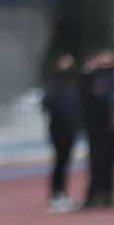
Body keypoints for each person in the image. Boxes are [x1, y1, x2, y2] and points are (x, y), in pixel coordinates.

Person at [79, 47, 114, 208]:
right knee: (96, 160)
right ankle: (95, 194)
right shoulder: (93, 77)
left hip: (111, 126)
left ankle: (107, 194)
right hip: (97, 126)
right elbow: (88, 95)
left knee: (109, 161)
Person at [41, 53, 81, 212]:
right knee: (60, 161)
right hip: (58, 128)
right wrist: (61, 115)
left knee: (65, 161)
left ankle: (62, 192)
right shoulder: (54, 85)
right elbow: (47, 105)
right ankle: (56, 194)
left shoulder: (73, 85)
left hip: (71, 128)